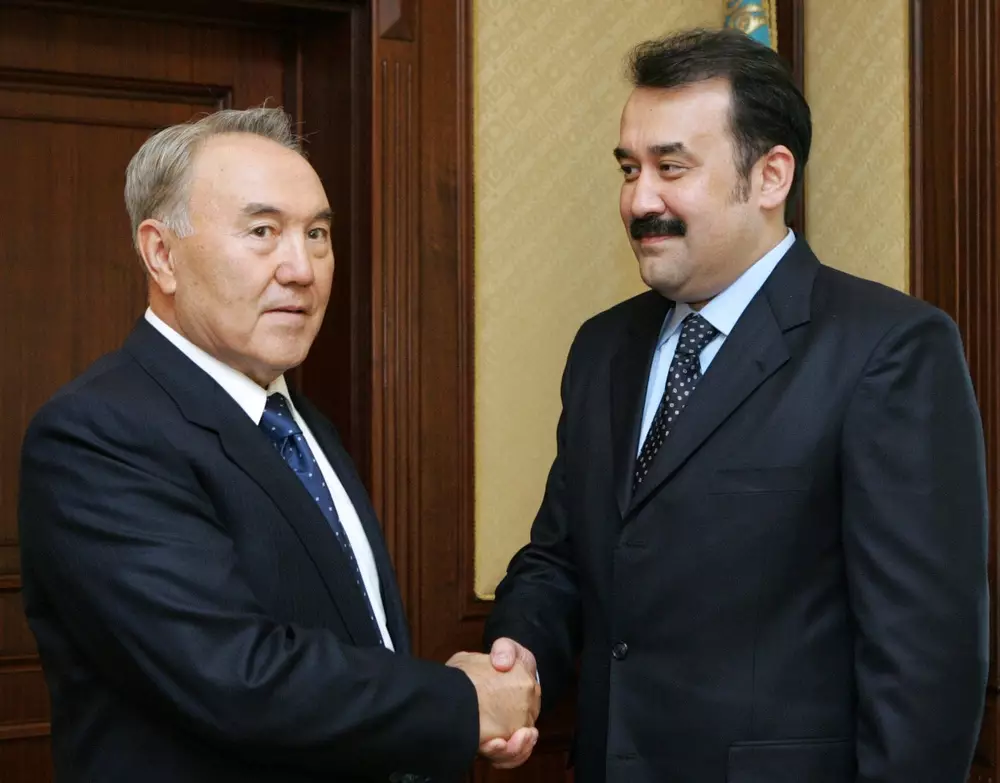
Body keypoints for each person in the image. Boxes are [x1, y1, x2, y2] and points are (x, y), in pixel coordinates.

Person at [484, 28, 989, 782]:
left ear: (771, 176)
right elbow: (561, 555)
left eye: (671, 168)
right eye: (629, 169)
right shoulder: (602, 348)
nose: (638, 199)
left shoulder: (888, 349)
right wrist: (516, 656)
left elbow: (925, 660)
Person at [18, 107, 538, 783]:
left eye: (317, 234)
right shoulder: (96, 434)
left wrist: (457, 711)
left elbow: (353, 644)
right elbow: (234, 674)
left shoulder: (298, 421)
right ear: (161, 254)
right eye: (263, 231)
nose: (301, 268)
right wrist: (462, 704)